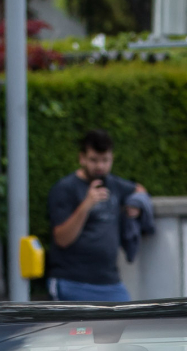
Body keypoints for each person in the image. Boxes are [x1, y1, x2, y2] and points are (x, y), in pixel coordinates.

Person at [45, 127, 154, 302]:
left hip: (110, 282)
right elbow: (62, 239)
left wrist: (136, 204)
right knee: (79, 330)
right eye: (94, 160)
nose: (100, 166)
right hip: (72, 282)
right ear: (82, 158)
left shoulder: (114, 184)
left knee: (129, 324)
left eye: (105, 160)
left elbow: (139, 189)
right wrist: (86, 205)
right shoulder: (64, 189)